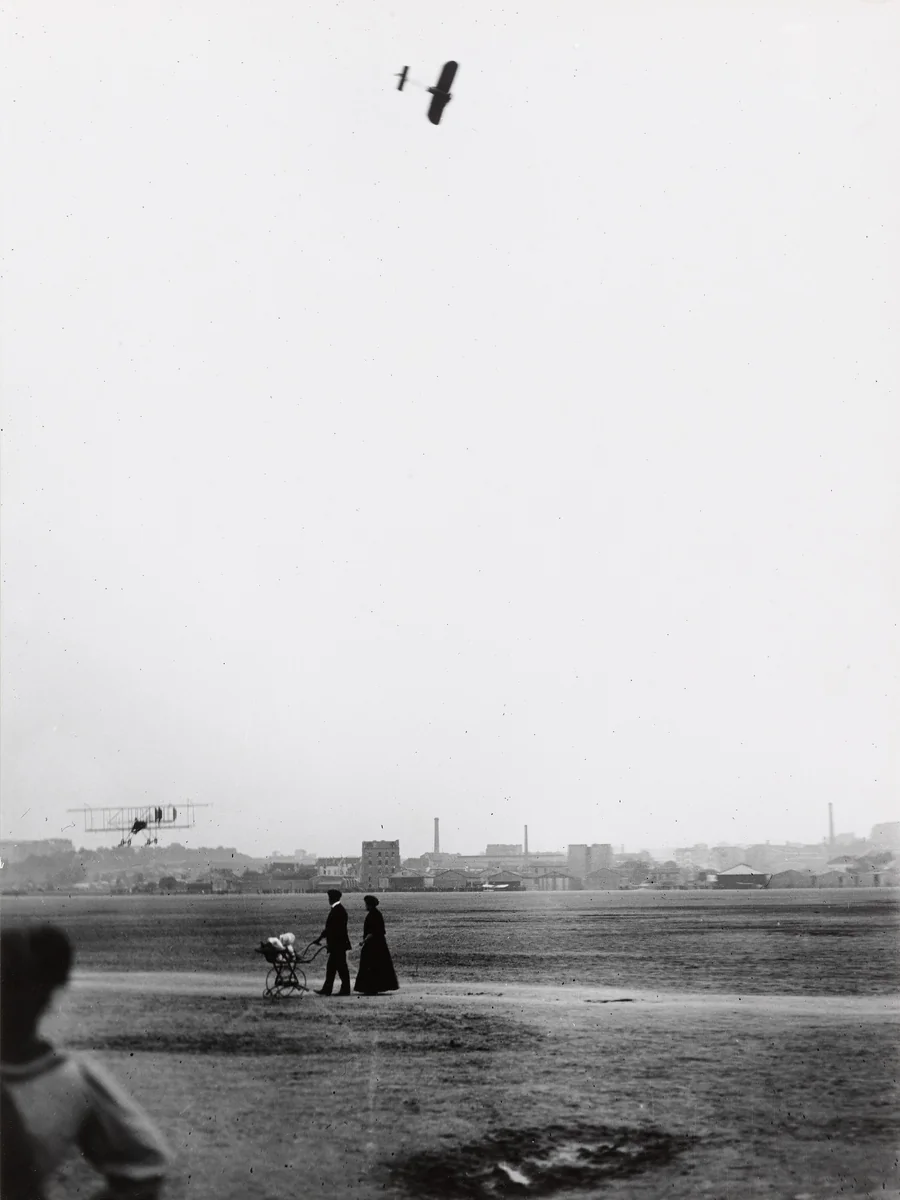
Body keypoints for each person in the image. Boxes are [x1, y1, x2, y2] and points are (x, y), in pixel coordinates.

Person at [0, 924, 170, 1200]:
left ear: (38, 994)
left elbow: (146, 1167)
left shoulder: (71, 1079)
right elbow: (146, 1167)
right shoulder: (72, 1079)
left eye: (11, 984)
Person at [354, 895, 399, 996]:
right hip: (379, 944)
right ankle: (375, 986)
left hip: (373, 945)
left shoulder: (373, 915)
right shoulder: (376, 914)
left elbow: (373, 931)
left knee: (370, 965)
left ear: (369, 905)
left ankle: (370, 987)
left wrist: (364, 941)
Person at [313, 889, 351, 996]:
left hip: (338, 945)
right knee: (332, 968)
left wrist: (321, 939)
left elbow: (332, 929)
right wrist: (320, 939)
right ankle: (328, 989)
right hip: (338, 945)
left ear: (332, 898)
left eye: (329, 898)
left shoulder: (338, 911)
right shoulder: (338, 910)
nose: (328, 900)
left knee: (340, 968)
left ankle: (344, 990)